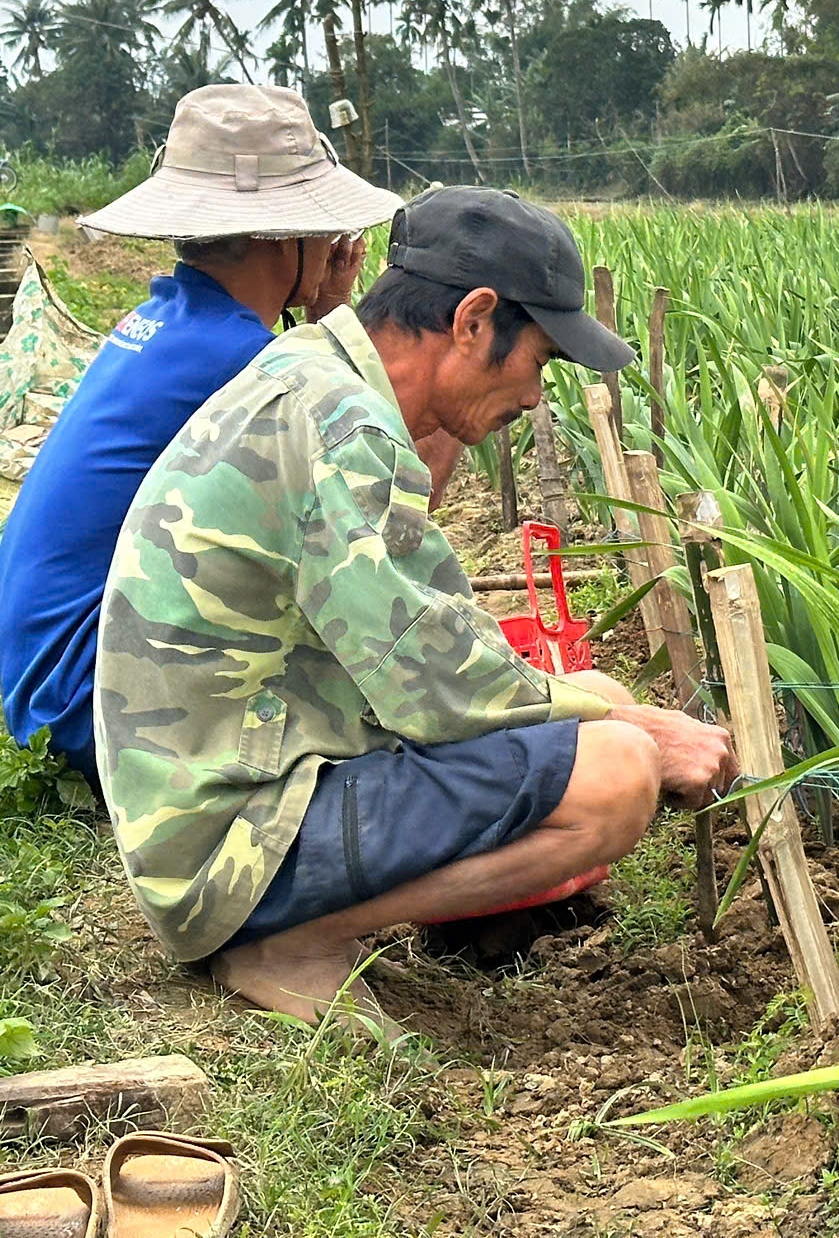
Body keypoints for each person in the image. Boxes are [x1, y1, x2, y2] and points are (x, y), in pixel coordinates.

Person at [96, 187, 737, 1027]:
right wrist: (652, 735)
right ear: (473, 320)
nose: (536, 398)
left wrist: (608, 707)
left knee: (606, 707)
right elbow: (433, 686)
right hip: (222, 842)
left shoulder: (317, 374)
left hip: (219, 782)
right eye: (538, 360)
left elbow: (428, 628)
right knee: (617, 772)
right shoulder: (343, 427)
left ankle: (308, 919)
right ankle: (284, 944)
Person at [0, 84, 401, 781]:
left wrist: (325, 308)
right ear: (284, 234)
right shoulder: (236, 359)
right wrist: (335, 316)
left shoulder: (178, 325)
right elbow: (365, 475)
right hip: (94, 708)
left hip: (50, 688)